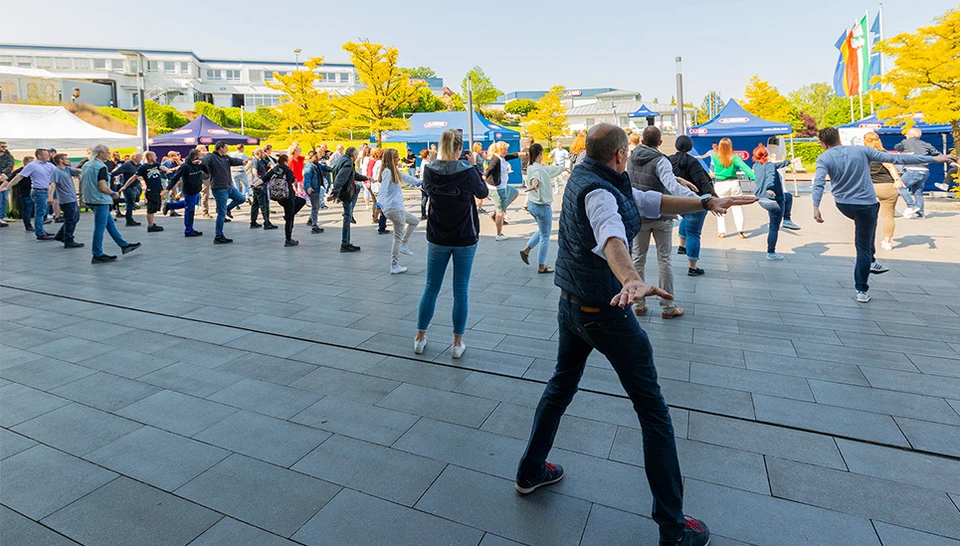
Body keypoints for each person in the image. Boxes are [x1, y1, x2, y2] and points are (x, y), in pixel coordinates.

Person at [516, 124, 756, 546]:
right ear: (620, 155)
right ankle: (674, 528)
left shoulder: (589, 173)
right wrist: (630, 278)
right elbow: (610, 234)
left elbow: (646, 200)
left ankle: (531, 470)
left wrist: (705, 201)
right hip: (603, 312)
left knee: (560, 385)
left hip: (571, 305)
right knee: (654, 412)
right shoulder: (599, 191)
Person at [812, 127, 954, 302]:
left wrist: (815, 206)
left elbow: (818, 183)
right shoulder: (862, 150)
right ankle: (861, 289)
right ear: (838, 137)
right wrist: (933, 158)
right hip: (865, 205)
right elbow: (896, 158)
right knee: (863, 245)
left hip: (843, 204)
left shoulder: (824, 157)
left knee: (865, 232)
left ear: (823, 143)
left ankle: (870, 260)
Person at [414, 129, 488, 359]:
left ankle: (419, 338)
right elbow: (483, 191)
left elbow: (427, 191)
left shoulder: (429, 169)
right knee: (460, 290)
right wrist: (474, 165)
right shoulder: (467, 172)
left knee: (431, 287)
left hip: (437, 235)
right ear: (459, 147)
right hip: (464, 237)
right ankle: (457, 343)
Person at [627, 126, 699, 319]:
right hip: (661, 215)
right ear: (660, 142)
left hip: (638, 216)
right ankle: (668, 307)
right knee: (664, 260)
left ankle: (638, 304)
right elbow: (670, 185)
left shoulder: (630, 159)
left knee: (637, 259)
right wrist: (697, 200)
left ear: (642, 141)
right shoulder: (661, 160)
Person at [81, 145, 141, 263]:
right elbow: (103, 187)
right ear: (100, 154)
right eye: (107, 152)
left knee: (109, 223)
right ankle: (97, 254)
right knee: (100, 227)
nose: (109, 154)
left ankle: (124, 245)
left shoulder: (87, 165)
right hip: (100, 199)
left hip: (90, 198)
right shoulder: (101, 167)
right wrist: (113, 193)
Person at [670, 136, 715, 277]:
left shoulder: (669, 160)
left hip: (677, 202)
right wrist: (714, 199)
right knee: (694, 234)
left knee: (686, 219)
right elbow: (702, 182)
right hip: (695, 202)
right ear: (690, 147)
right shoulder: (693, 162)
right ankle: (692, 267)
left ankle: (682, 246)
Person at [519, 143, 564, 273]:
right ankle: (541, 266)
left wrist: (562, 168)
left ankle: (526, 250)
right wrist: (534, 185)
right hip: (542, 206)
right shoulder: (538, 170)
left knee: (542, 230)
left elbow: (549, 170)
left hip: (532, 205)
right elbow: (536, 179)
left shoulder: (532, 166)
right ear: (540, 153)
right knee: (545, 236)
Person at [752, 144, 799, 260]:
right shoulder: (770, 166)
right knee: (774, 226)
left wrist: (789, 161)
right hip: (773, 200)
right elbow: (771, 176)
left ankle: (787, 220)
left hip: (761, 199)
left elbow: (775, 165)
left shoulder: (757, 166)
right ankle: (771, 252)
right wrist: (770, 188)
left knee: (787, 196)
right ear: (766, 155)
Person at [378, 148, 422, 274]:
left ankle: (404, 244)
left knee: (414, 221)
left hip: (396, 208)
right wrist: (379, 204)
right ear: (391, 159)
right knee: (397, 237)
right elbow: (383, 189)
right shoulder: (387, 172)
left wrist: (420, 182)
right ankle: (394, 265)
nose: (398, 159)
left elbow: (407, 178)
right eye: (396, 157)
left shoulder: (394, 170)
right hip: (394, 208)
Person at [4, 149, 56, 240]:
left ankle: (41, 230)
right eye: (46, 154)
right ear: (39, 156)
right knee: (40, 212)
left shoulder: (49, 165)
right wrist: (8, 186)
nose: (48, 156)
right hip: (39, 191)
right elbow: (19, 176)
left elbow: (58, 172)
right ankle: (40, 233)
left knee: (43, 212)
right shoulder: (32, 165)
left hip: (45, 191)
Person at [863, 132, 903, 251]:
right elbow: (890, 166)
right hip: (887, 186)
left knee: (866, 216)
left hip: (869, 187)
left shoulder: (864, 155)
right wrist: (897, 179)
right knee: (888, 215)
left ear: (865, 141)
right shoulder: (882, 153)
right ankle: (887, 242)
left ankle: (866, 240)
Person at [202, 141, 247, 244]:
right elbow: (205, 159)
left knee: (241, 198)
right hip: (219, 188)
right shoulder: (212, 157)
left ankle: (227, 209)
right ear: (221, 148)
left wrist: (242, 162)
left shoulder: (226, 158)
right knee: (221, 213)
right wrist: (200, 161)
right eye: (226, 147)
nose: (227, 149)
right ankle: (218, 236)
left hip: (229, 186)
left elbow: (233, 160)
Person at [329, 146, 370, 252]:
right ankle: (345, 244)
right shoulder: (348, 163)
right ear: (353, 155)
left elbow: (353, 175)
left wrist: (366, 178)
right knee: (347, 217)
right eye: (356, 155)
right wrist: (335, 192)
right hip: (346, 192)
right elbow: (340, 178)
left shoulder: (343, 159)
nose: (357, 157)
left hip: (345, 191)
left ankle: (346, 241)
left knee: (357, 187)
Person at [261, 153, 307, 247]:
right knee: (290, 219)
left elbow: (265, 178)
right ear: (286, 161)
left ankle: (289, 216)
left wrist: (255, 184)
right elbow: (292, 180)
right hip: (289, 196)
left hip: (279, 197)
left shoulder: (274, 169)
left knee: (301, 201)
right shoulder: (287, 170)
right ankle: (288, 239)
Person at [895, 127, 944, 216]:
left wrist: (905, 142)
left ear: (911, 135)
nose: (906, 135)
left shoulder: (906, 142)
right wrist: (949, 161)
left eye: (907, 134)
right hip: (925, 171)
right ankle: (920, 214)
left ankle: (912, 206)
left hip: (912, 170)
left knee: (900, 187)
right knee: (918, 192)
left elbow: (897, 148)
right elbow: (937, 154)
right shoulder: (926, 144)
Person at [712, 138, 754, 238]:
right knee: (737, 207)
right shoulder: (734, 157)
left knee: (720, 207)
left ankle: (721, 231)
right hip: (733, 183)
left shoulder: (715, 157)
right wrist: (755, 177)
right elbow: (745, 168)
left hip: (720, 184)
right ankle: (740, 231)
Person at [484, 141, 520, 241]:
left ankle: (496, 212)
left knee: (515, 193)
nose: (506, 151)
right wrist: (484, 177)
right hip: (497, 189)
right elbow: (490, 169)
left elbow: (514, 155)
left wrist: (527, 153)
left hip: (504, 186)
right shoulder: (495, 159)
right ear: (499, 150)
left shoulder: (502, 157)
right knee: (500, 212)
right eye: (505, 149)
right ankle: (499, 234)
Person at [121, 151, 165, 232]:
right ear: (150, 157)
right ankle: (150, 226)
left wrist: (168, 170)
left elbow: (162, 167)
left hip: (157, 189)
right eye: (154, 156)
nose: (156, 157)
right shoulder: (143, 167)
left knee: (155, 207)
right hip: (150, 190)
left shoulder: (156, 164)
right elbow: (134, 177)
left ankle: (152, 223)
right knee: (151, 208)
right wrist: (125, 186)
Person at [165, 148, 205, 237]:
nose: (200, 159)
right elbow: (175, 177)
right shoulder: (185, 166)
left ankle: (170, 205)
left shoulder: (199, 164)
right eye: (198, 157)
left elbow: (207, 170)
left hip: (197, 189)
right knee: (190, 210)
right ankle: (189, 230)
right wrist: (168, 188)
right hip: (189, 190)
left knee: (191, 203)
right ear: (194, 157)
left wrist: (202, 163)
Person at [47, 153, 83, 248]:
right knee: (70, 220)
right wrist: (50, 196)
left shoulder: (67, 169)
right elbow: (53, 184)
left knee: (74, 218)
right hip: (66, 200)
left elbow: (79, 171)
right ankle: (68, 240)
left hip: (72, 198)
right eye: (66, 159)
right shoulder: (56, 171)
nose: (68, 161)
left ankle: (60, 235)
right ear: (60, 160)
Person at [110, 151, 143, 226]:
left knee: (135, 199)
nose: (141, 158)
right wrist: (110, 178)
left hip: (135, 186)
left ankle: (118, 200)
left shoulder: (139, 165)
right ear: (135, 158)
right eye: (140, 157)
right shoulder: (127, 165)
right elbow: (116, 172)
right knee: (130, 204)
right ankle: (129, 220)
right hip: (128, 187)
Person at [249, 148, 277, 230]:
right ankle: (266, 222)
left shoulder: (262, 160)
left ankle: (253, 222)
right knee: (264, 203)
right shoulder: (255, 161)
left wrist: (271, 169)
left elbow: (271, 164)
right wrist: (256, 177)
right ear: (258, 153)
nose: (263, 153)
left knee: (256, 203)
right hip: (259, 184)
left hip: (262, 182)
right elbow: (254, 170)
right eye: (262, 152)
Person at [302, 150, 330, 234]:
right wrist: (308, 187)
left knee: (316, 206)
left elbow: (324, 167)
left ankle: (311, 220)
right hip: (313, 189)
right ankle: (314, 226)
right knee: (315, 207)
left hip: (316, 187)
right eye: (315, 157)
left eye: (317, 156)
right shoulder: (309, 167)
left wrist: (334, 169)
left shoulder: (316, 165)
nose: (317, 158)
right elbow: (307, 178)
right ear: (311, 158)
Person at [0, 141, 14, 227]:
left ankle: (3, 215)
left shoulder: (8, 156)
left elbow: (10, 166)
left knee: (4, 198)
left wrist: (3, 173)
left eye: (5, 147)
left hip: (5, 179)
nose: (4, 148)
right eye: (2, 147)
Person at [418, 149, 432, 219]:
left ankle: (423, 213)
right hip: (425, 183)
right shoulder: (425, 164)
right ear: (427, 156)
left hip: (423, 182)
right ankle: (424, 214)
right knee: (425, 199)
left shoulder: (425, 162)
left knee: (424, 198)